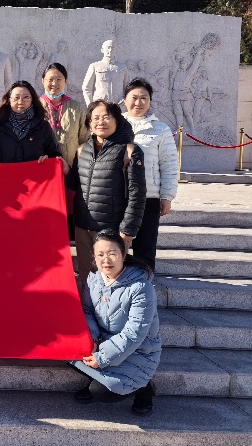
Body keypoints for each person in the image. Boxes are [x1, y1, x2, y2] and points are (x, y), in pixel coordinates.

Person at [70, 229, 160, 415]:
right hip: (103, 343)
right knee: (65, 351)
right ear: (94, 257)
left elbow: (134, 333)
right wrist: (92, 341)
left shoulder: (141, 288)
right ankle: (97, 375)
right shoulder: (94, 279)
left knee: (101, 392)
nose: (106, 260)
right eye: (100, 254)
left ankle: (144, 390)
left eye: (112, 253)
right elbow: (87, 311)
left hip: (138, 352)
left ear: (123, 255)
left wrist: (102, 357)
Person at [74, 100, 146, 288]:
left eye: (106, 117)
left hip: (112, 228)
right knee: (86, 278)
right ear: (89, 123)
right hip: (83, 228)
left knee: (112, 279)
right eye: (95, 118)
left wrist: (128, 229)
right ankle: (87, 307)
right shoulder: (82, 150)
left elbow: (137, 194)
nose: (101, 122)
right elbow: (73, 185)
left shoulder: (129, 150)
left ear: (117, 120)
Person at [123, 78, 179, 270]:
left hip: (149, 196)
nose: (138, 103)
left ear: (150, 101)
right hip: (119, 194)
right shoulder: (115, 125)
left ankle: (144, 281)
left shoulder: (160, 129)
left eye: (144, 98)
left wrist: (167, 196)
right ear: (125, 99)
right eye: (134, 97)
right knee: (116, 244)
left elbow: (169, 164)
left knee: (145, 245)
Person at [42, 63, 90, 237]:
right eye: (50, 79)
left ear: (66, 81)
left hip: (69, 172)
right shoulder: (35, 106)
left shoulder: (76, 107)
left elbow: (85, 139)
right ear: (43, 81)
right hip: (43, 173)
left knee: (68, 216)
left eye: (59, 79)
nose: (54, 83)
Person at [0, 81, 66, 168]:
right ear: (9, 100)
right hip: (6, 176)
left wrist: (48, 159)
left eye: (26, 97)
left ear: (32, 99)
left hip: (36, 175)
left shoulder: (43, 127)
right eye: (16, 97)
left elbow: (55, 156)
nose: (21, 101)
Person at [82, 40, 126, 105]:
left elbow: (128, 86)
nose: (110, 50)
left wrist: (125, 100)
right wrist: (90, 105)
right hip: (100, 104)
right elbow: (87, 87)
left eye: (113, 48)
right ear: (102, 50)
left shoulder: (122, 67)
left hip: (119, 105)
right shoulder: (95, 66)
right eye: (108, 47)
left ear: (116, 50)